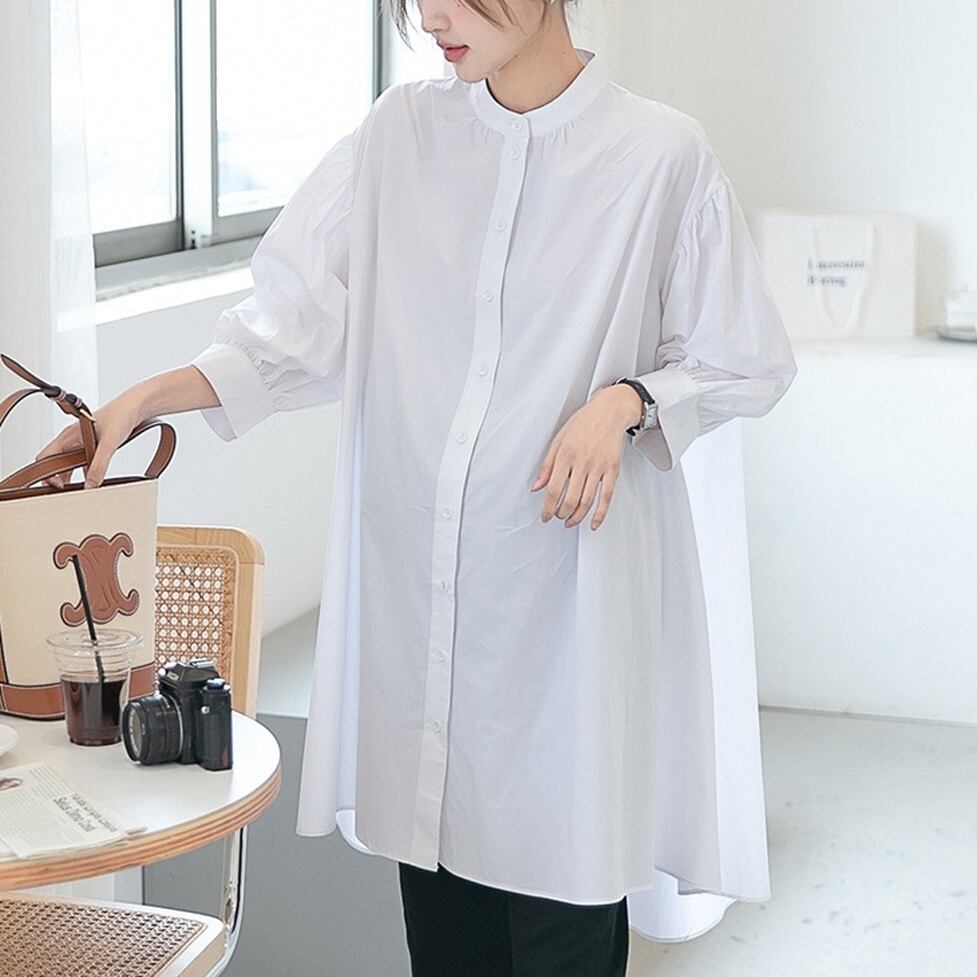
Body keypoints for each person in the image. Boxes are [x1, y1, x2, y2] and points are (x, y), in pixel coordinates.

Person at [36, 1, 798, 973]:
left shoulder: (658, 156)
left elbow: (743, 358)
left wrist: (628, 401)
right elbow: (292, 330)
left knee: (563, 913)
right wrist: (145, 399)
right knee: (443, 926)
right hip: (420, 621)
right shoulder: (398, 135)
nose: (430, 16)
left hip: (567, 617)